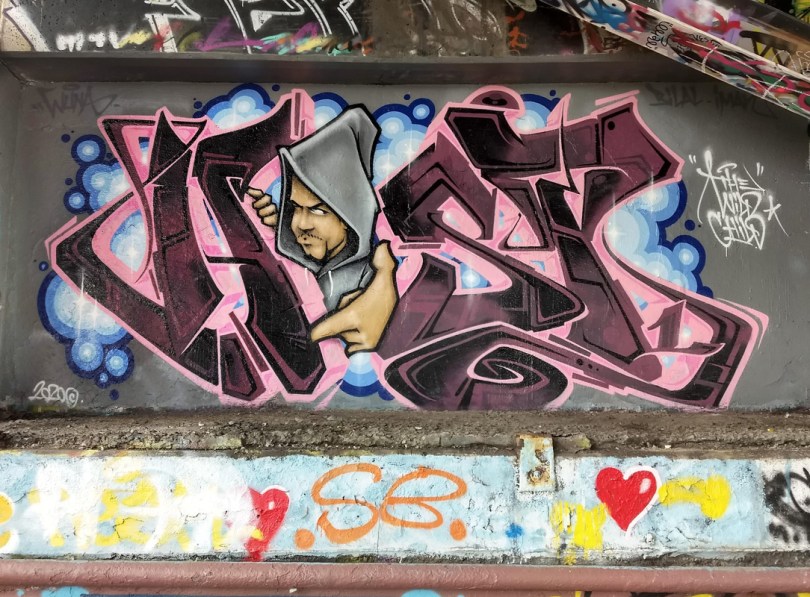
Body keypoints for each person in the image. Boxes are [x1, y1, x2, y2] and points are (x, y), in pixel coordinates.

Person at [247, 106, 398, 355]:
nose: (301, 223)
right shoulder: (304, 268)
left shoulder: (367, 278)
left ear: (349, 217)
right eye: (295, 208)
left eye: (318, 210)